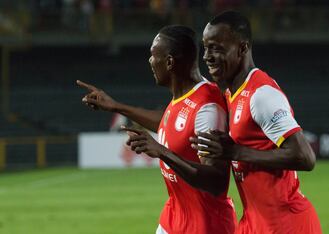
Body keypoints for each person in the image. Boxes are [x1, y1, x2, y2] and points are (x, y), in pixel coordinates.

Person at [77, 25, 237, 234]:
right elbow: (169, 121)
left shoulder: (208, 108)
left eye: (153, 56)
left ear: (169, 62)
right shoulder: (185, 97)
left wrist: (162, 151)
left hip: (204, 225)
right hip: (174, 217)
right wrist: (116, 106)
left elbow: (216, 181)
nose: (150, 61)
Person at [190, 11, 322, 234]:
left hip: (285, 224)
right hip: (254, 223)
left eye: (217, 48)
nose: (207, 56)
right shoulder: (233, 93)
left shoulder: (261, 94)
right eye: (206, 47)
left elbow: (305, 157)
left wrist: (236, 152)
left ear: (242, 48)